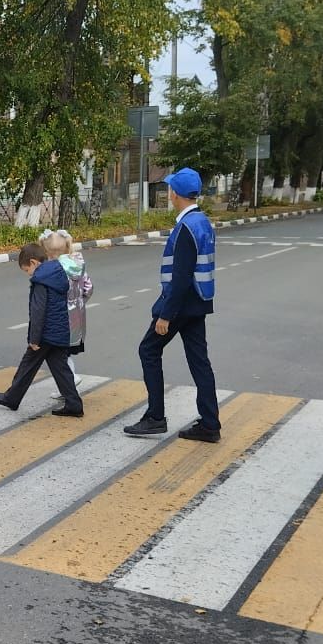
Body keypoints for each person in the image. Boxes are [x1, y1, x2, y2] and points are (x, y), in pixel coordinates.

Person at [123, 167, 221, 443]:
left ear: (175, 193)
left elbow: (180, 277)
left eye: (169, 189)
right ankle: (210, 424)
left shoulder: (186, 227)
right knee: (199, 361)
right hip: (199, 302)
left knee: (148, 350)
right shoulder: (202, 221)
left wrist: (166, 315)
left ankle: (155, 417)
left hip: (181, 304)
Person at [0, 242, 84, 417]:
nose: (28, 274)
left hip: (46, 333)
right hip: (62, 329)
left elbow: (38, 311)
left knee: (28, 364)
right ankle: (74, 404)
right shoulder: (59, 271)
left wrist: (34, 339)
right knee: (60, 367)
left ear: (33, 262)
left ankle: (11, 398)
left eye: (27, 270)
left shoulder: (41, 279)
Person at [41, 230, 94, 398]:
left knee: (58, 353)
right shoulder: (78, 265)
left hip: (61, 316)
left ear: (48, 253)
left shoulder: (55, 270)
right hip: (78, 315)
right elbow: (89, 288)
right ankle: (69, 388)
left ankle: (70, 380)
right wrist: (80, 302)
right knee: (66, 351)